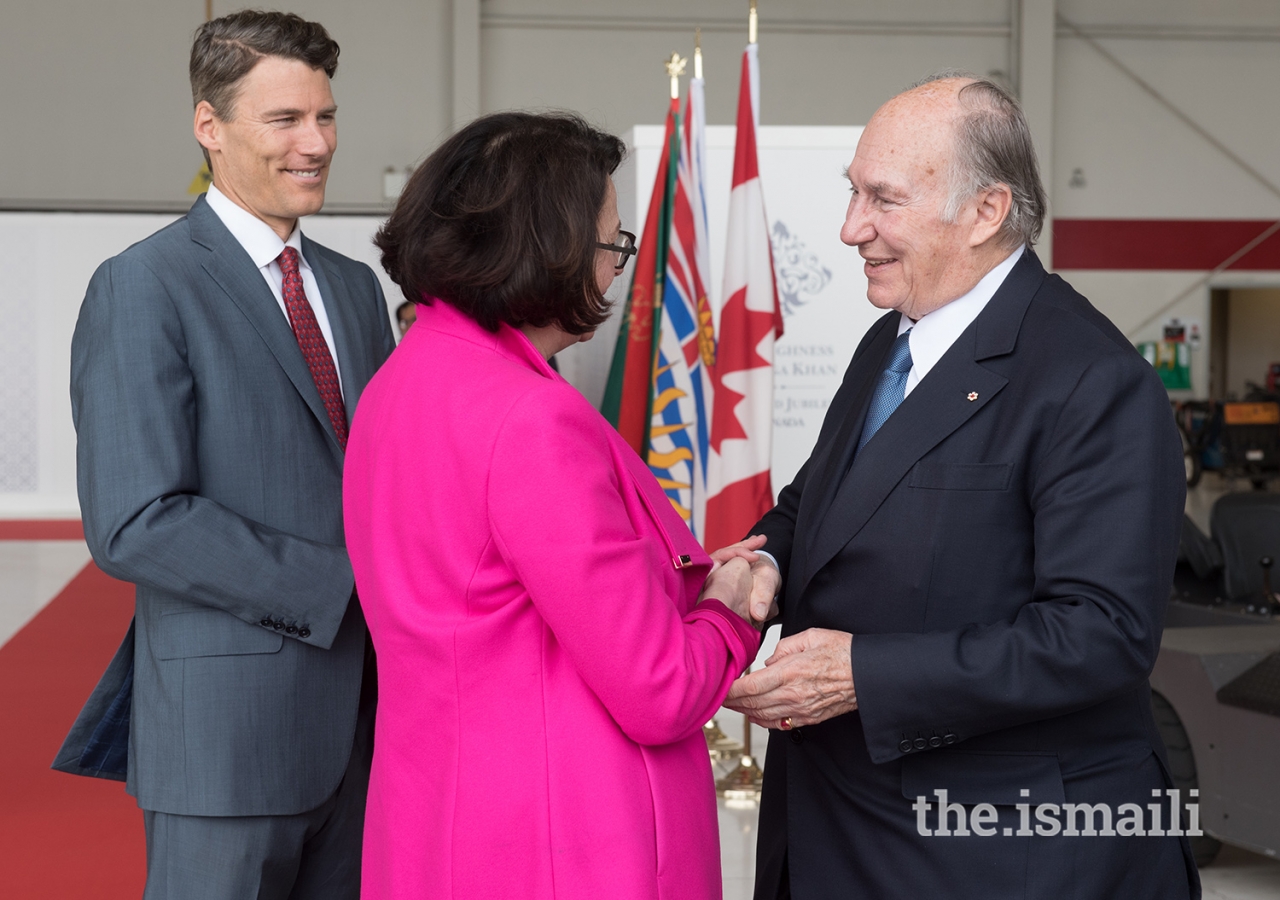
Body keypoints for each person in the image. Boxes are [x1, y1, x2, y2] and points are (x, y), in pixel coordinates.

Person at [718, 75, 1198, 899]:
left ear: (986, 212)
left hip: (990, 847)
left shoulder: (1091, 379)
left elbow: (1101, 634)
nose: (850, 228)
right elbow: (827, 501)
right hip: (841, 821)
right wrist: (769, 561)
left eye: (884, 200)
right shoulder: (890, 342)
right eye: (852, 193)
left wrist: (863, 675)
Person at [343, 111, 762, 900]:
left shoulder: (402, 382)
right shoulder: (530, 418)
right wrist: (730, 610)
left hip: (438, 813)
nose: (615, 272)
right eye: (612, 245)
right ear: (546, 249)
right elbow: (659, 688)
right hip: (559, 836)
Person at [52, 11, 395, 899]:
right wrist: (345, 586)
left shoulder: (355, 290)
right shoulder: (144, 285)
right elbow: (136, 521)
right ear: (210, 126)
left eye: (325, 116)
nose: (315, 143)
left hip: (372, 731)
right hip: (224, 739)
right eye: (284, 120)